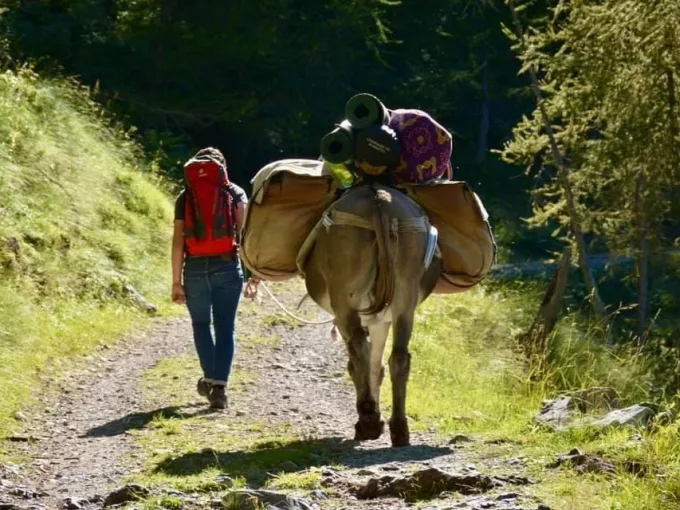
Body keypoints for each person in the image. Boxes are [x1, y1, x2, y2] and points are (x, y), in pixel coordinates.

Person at [171, 147, 248, 410]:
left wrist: (176, 281)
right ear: (223, 168)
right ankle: (220, 389)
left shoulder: (185, 196)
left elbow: (177, 242)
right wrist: (255, 273)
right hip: (227, 265)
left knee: (201, 324)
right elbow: (245, 234)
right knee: (225, 326)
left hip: (193, 269)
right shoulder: (235, 192)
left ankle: (210, 380)